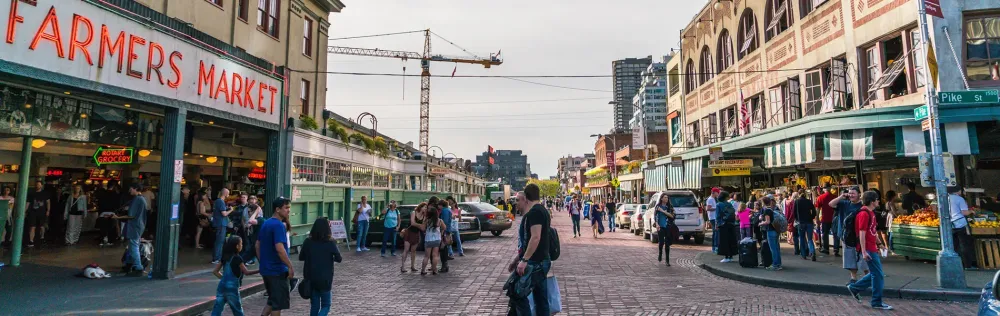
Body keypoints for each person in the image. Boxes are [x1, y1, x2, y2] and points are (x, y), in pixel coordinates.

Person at [506, 184, 551, 315]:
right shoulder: (542, 210)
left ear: (526, 198)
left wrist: (524, 260)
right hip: (541, 260)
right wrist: (518, 259)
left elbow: (535, 237)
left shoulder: (535, 212)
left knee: (517, 293)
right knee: (540, 298)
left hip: (535, 262)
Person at [847, 191, 894, 310]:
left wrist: (880, 244)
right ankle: (876, 301)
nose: (879, 201)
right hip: (868, 248)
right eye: (877, 199)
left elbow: (872, 230)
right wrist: (863, 251)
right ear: (872, 201)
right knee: (878, 275)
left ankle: (855, 288)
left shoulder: (870, 213)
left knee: (876, 273)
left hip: (871, 247)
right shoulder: (864, 214)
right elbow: (862, 233)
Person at [257, 197, 294, 316]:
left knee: (272, 300)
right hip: (277, 270)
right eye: (286, 208)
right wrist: (290, 266)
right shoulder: (278, 225)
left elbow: (257, 245)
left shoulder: (266, 223)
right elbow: (280, 248)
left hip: (267, 269)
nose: (288, 210)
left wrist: (262, 261)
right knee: (277, 303)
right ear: (278, 209)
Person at [299, 218, 343, 316]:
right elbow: (339, 258)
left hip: (311, 277)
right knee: (326, 305)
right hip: (325, 278)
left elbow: (301, 257)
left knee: (314, 305)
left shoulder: (308, 241)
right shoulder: (330, 242)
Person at [211, 236, 258, 316]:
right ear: (237, 246)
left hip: (222, 286)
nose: (242, 246)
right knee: (237, 310)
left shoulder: (225, 257)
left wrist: (224, 279)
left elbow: (215, 271)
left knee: (217, 309)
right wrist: (260, 270)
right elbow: (246, 272)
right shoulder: (238, 258)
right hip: (232, 287)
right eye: (241, 244)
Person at [830, 187, 866, 282]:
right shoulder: (844, 203)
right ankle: (853, 278)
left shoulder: (863, 205)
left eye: (853, 193)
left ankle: (867, 278)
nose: (851, 195)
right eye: (849, 193)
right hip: (846, 236)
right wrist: (841, 196)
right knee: (850, 259)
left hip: (859, 236)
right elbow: (831, 204)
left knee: (863, 258)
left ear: (859, 194)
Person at [948, 186, 979, 270]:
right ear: (957, 191)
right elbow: (964, 212)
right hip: (960, 224)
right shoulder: (959, 199)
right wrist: (971, 211)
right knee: (965, 244)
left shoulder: (945, 198)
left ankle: (954, 265)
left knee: (954, 245)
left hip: (950, 225)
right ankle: (967, 265)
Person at [124, 183, 148, 275]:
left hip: (134, 226)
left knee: (133, 246)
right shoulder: (142, 199)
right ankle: (131, 264)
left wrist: (118, 217)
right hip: (139, 225)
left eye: (131, 188)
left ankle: (138, 267)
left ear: (135, 189)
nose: (129, 190)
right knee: (133, 245)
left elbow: (131, 215)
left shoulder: (137, 199)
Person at [420, 203, 447, 276]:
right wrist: (441, 232)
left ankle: (423, 270)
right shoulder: (439, 220)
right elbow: (444, 228)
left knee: (426, 256)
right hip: (437, 240)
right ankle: (434, 270)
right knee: (435, 255)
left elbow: (422, 228)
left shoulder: (427, 220)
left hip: (428, 239)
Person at [400, 202, 426, 273]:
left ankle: (412, 266)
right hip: (409, 232)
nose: (425, 209)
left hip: (416, 233)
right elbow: (412, 223)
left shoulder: (424, 216)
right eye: (425, 207)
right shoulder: (414, 213)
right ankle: (403, 266)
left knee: (413, 251)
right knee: (406, 249)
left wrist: (419, 225)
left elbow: (423, 228)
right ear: (421, 207)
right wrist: (420, 225)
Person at [793, 190, 818, 261]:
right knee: (810, 239)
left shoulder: (797, 202)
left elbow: (794, 212)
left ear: (798, 194)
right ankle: (812, 252)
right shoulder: (809, 201)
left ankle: (803, 254)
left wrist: (797, 219)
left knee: (802, 238)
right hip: (809, 222)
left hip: (800, 222)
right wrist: (811, 217)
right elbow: (814, 211)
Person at [759, 196, 782, 270]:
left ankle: (775, 265)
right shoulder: (772, 210)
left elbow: (768, 221)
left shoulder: (767, 210)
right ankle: (778, 264)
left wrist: (761, 223)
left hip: (770, 230)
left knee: (773, 249)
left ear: (763, 203)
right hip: (775, 230)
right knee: (776, 248)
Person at [715, 191, 738, 263]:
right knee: (731, 240)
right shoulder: (729, 204)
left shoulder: (718, 204)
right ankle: (731, 256)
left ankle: (726, 256)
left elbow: (717, 216)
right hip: (731, 223)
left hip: (723, 224)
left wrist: (717, 224)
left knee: (724, 241)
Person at [212, 188, 234, 264]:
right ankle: (216, 258)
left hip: (218, 223)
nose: (228, 195)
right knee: (220, 241)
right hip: (221, 223)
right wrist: (231, 210)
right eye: (228, 193)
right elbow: (224, 214)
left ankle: (217, 257)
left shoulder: (217, 201)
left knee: (219, 240)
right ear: (225, 193)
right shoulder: (220, 202)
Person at [26, 181, 50, 248]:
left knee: (42, 226)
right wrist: (25, 211)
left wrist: (48, 210)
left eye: (39, 185)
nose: (37, 186)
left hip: (42, 212)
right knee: (32, 226)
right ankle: (31, 241)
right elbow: (28, 203)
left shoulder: (45, 193)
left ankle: (42, 238)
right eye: (36, 185)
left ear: (41, 186)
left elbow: (48, 202)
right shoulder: (31, 194)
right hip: (33, 212)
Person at [654, 194, 675, 266]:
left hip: (668, 226)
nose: (666, 199)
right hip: (660, 226)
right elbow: (656, 216)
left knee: (667, 244)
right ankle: (660, 253)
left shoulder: (669, 207)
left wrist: (663, 211)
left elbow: (672, 216)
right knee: (661, 242)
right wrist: (657, 224)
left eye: (667, 197)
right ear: (662, 198)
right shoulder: (658, 206)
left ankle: (667, 260)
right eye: (665, 197)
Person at [816, 186, 837, 255]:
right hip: (834, 218)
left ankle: (826, 249)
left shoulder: (820, 197)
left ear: (824, 189)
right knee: (835, 234)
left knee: (825, 234)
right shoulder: (835, 197)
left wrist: (817, 219)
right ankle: (836, 249)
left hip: (825, 218)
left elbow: (818, 209)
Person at [436, 199, 452, 273]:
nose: (438, 206)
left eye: (439, 205)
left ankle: (444, 266)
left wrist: (442, 231)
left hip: (444, 231)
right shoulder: (448, 210)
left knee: (443, 248)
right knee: (444, 248)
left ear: (441, 205)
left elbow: (444, 222)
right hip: (447, 231)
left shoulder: (444, 211)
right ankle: (445, 265)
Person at [706, 188, 720, 254]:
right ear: (714, 192)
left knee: (715, 232)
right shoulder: (710, 199)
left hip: (714, 217)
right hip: (713, 217)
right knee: (716, 232)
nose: (718, 194)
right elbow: (708, 208)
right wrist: (716, 208)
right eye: (717, 192)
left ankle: (714, 247)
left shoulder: (714, 199)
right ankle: (715, 247)